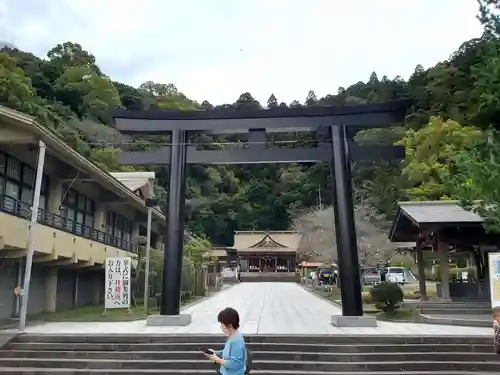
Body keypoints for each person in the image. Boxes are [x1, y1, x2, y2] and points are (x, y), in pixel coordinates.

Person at [205, 307, 247, 375]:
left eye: (222, 324)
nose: (221, 327)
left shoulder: (237, 341)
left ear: (229, 325)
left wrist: (216, 359)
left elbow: (235, 364)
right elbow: (228, 353)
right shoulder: (233, 336)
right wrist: (215, 353)